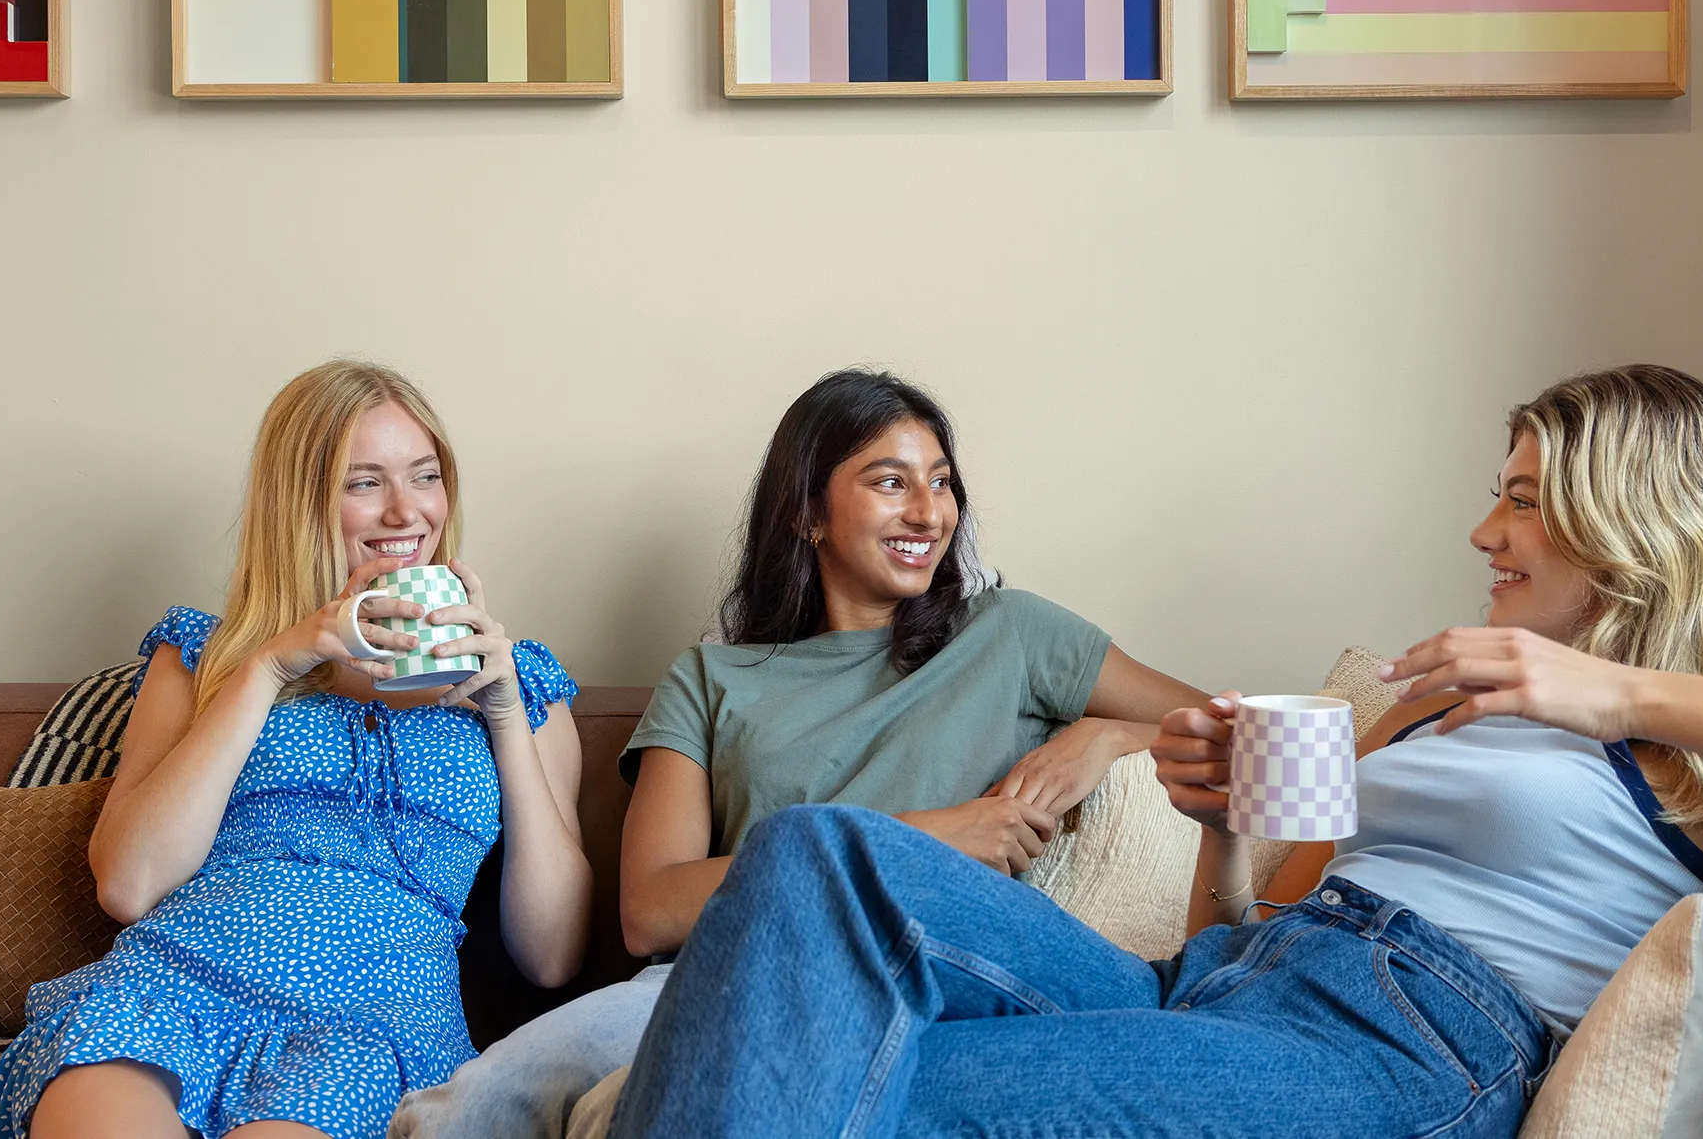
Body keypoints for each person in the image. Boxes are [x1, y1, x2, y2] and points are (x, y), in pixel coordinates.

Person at [608, 364, 1703, 1138]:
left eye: (1521, 500)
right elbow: (1244, 917)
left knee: (882, 1093)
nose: (1484, 531)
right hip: (1228, 984)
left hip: (1403, 1045)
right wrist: (1220, 818)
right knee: (813, 853)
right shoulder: (1435, 697)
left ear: (1631, 520)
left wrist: (1619, 693)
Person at [389, 369, 1208, 1136]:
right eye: (891, 482)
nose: (929, 513)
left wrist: (1108, 736)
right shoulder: (711, 678)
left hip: (931, 978)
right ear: (808, 513)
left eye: (941, 482)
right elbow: (649, 909)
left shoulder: (1014, 635)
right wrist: (928, 836)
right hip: (726, 975)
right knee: (475, 1103)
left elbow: (1231, 730)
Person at [0, 362, 592, 1139]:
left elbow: (553, 954)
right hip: (167, 988)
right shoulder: (206, 657)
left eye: (425, 476)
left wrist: (504, 712)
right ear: (298, 503)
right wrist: (272, 663)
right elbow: (129, 884)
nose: (406, 510)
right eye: (364, 483)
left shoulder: (520, 685)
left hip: (371, 1028)